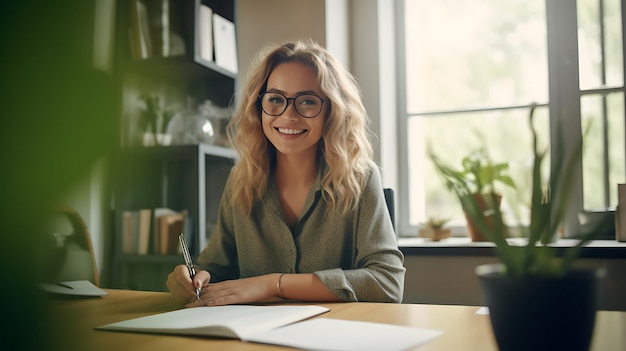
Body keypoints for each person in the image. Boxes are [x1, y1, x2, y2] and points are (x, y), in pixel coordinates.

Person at [166, 40, 405, 306]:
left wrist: (273, 284)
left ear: (332, 111)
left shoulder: (362, 178)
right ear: (259, 107)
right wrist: (193, 278)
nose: (288, 115)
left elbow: (387, 283)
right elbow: (216, 268)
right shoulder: (241, 180)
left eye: (307, 102)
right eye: (276, 99)